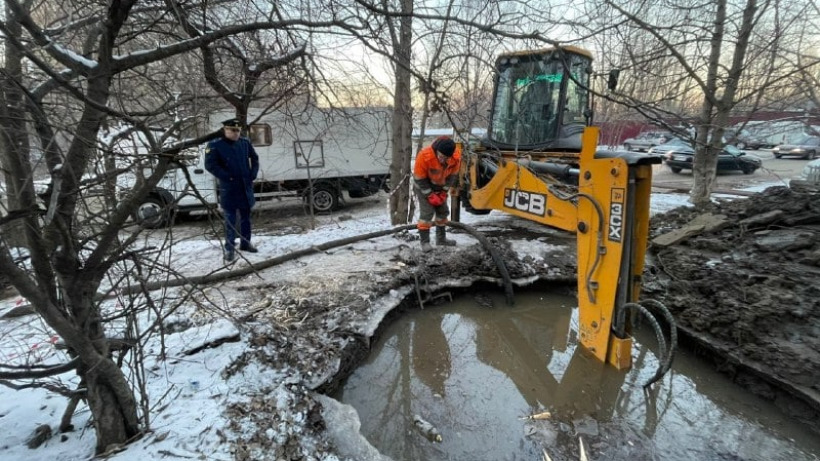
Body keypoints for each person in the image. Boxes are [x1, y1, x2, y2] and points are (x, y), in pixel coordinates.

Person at [204, 118, 260, 263]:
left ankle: (245, 243)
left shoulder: (244, 143)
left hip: (244, 187)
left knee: (246, 218)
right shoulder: (215, 145)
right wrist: (226, 176)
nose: (236, 133)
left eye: (238, 130)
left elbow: (254, 158)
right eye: (232, 130)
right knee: (230, 220)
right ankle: (229, 248)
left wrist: (252, 174)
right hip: (229, 188)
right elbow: (210, 165)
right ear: (225, 130)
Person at [412, 136, 461, 252]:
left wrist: (443, 192)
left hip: (439, 187)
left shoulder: (455, 158)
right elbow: (419, 178)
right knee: (427, 213)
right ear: (436, 151)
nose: (442, 160)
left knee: (443, 211)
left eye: (445, 158)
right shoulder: (424, 156)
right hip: (423, 186)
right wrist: (429, 195)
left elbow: (452, 177)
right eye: (440, 156)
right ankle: (425, 243)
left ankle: (441, 239)